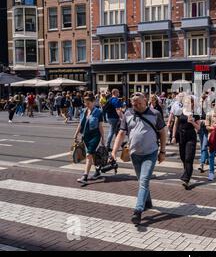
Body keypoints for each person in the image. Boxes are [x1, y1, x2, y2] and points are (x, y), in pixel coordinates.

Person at [111, 92, 167, 225]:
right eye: (134, 104)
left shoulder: (155, 114)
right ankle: (147, 202)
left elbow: (163, 132)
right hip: (134, 154)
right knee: (142, 181)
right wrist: (113, 152)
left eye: (140, 104)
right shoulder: (128, 114)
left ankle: (138, 210)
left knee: (143, 180)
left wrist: (162, 151)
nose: (137, 107)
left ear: (146, 101)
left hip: (150, 153)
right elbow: (121, 133)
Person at [73, 92, 106, 184]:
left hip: (95, 136)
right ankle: (97, 172)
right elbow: (80, 124)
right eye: (85, 102)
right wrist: (76, 134)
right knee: (93, 155)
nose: (86, 104)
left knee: (89, 155)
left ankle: (85, 176)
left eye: (88, 103)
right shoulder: (84, 111)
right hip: (86, 136)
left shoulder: (98, 112)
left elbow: (100, 126)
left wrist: (103, 138)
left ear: (93, 102)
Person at [172, 95, 200, 189]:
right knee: (183, 157)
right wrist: (173, 136)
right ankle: (186, 172)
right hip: (181, 136)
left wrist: (192, 122)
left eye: (189, 102)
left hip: (191, 137)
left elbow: (198, 128)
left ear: (192, 103)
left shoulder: (195, 114)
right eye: (186, 102)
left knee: (189, 158)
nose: (187, 103)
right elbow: (175, 124)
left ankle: (186, 179)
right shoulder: (179, 112)